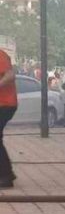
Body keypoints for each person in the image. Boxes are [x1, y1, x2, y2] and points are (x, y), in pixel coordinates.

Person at [0, 47, 17, 188]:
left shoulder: (0, 55)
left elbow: (10, 75)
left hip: (5, 104)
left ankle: (6, 176)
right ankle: (7, 174)